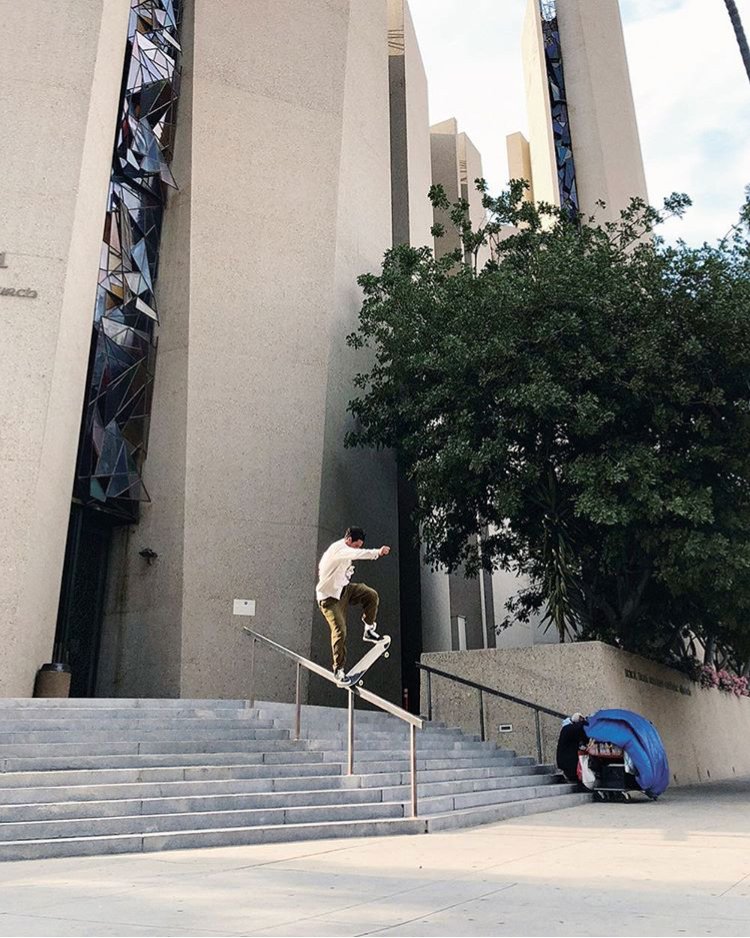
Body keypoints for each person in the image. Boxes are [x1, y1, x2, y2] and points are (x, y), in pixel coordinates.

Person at [316, 526, 390, 685]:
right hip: (329, 600)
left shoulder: (344, 550)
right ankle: (338, 669)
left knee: (370, 594)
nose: (357, 548)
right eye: (356, 545)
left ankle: (369, 630)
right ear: (348, 540)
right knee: (340, 630)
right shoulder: (339, 549)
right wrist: (377, 552)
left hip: (344, 591)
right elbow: (357, 554)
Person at [556, 712, 588, 783]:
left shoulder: (566, 728)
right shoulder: (572, 729)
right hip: (568, 760)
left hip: (564, 759)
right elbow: (581, 729)